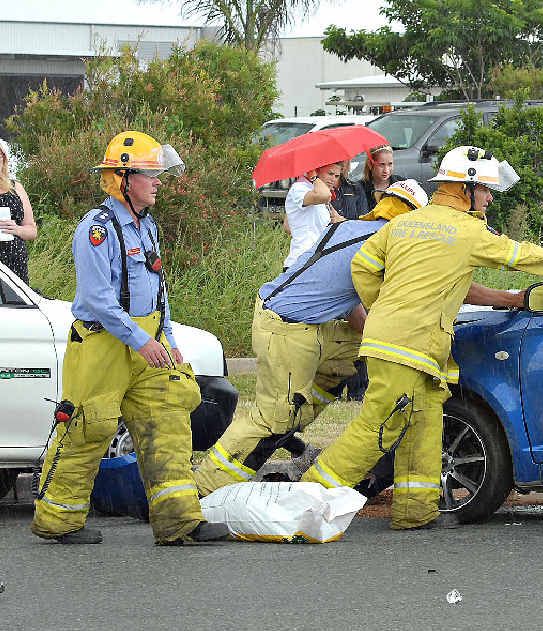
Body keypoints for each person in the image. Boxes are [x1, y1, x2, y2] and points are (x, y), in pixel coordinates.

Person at [301, 145, 543, 530]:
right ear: (466, 189)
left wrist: (384, 309)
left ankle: (416, 512)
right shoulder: (467, 231)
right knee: (378, 427)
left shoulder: (406, 223)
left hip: (404, 345)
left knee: (425, 425)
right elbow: (518, 256)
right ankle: (306, 499)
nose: (490, 198)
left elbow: (363, 265)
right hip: (407, 348)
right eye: (486, 190)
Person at [31, 131, 229, 545]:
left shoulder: (147, 225)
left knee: (169, 422)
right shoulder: (97, 229)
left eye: (158, 174)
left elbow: (158, 290)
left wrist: (167, 337)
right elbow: (98, 300)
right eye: (150, 175)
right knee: (87, 427)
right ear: (123, 178)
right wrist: (142, 340)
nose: (158, 182)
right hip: (103, 345)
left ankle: (179, 522)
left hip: (148, 343)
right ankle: (59, 521)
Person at [194, 180, 429, 496]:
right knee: (273, 418)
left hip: (294, 321)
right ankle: (203, 488)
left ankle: (300, 411)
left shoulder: (348, 228)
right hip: (287, 328)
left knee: (355, 348)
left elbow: (349, 301)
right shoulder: (383, 244)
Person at [283, 162, 344, 270]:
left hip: (317, 261)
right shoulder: (300, 188)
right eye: (330, 174)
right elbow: (324, 195)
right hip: (300, 261)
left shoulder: (321, 194)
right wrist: (314, 177)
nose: (333, 179)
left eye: (336, 176)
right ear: (317, 170)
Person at [0, 138, 38, 283]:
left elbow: (32, 231)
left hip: (16, 264)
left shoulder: (16, 187)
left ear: (4, 159)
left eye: (0, 155)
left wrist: (16, 229)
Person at [361, 145, 403, 209]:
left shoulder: (402, 185)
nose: (386, 170)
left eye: (390, 164)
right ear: (370, 164)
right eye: (382, 165)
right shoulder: (360, 188)